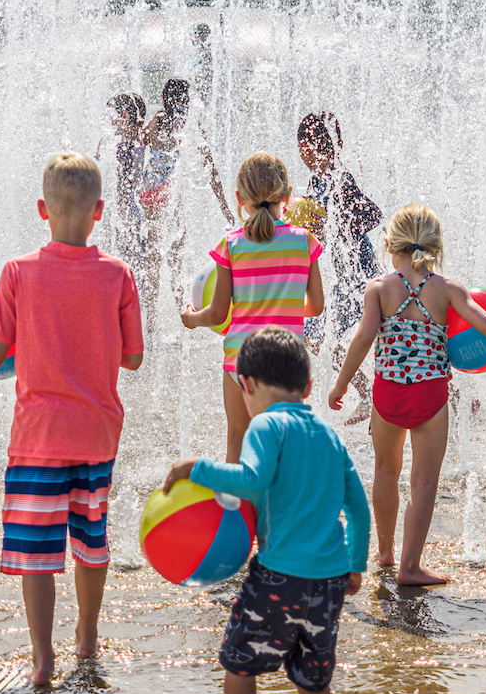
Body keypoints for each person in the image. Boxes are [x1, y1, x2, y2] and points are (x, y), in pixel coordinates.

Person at [0, 152, 144, 685]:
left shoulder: (17, 273)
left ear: (41, 209)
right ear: (100, 210)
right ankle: (89, 637)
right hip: (97, 434)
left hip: (37, 438)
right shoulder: (119, 276)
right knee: (90, 543)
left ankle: (42, 657)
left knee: (37, 552)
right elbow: (133, 357)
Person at [163, 327, 370, 694]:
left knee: (238, 660)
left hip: (279, 575)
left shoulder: (265, 424)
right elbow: (357, 504)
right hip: (331, 580)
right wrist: (356, 563)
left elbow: (253, 481)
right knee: (314, 675)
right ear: (310, 388)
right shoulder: (330, 438)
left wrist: (193, 467)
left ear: (247, 385)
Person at [329, 205, 486, 585]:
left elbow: (363, 339)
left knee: (386, 472)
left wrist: (340, 385)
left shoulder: (379, 289)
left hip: (387, 396)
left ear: (391, 244)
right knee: (423, 482)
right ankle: (410, 567)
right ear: (435, 246)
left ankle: (384, 553)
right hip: (430, 397)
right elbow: (485, 323)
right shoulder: (447, 289)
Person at [180, 152, 324, 464]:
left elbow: (217, 315)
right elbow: (317, 306)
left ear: (239, 198)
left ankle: (236, 512)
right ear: (286, 196)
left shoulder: (231, 245)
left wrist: (191, 318)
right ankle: (284, 509)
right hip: (287, 360)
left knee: (237, 440)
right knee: (284, 447)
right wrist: (281, 308)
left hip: (240, 359)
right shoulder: (304, 242)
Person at [296, 111, 383, 424]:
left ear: (309, 147)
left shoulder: (340, 178)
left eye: (303, 146)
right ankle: (368, 395)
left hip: (360, 275)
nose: (303, 154)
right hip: (341, 279)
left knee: (389, 333)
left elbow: (373, 214)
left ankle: (453, 395)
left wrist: (337, 226)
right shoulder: (317, 179)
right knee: (320, 342)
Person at [139, 78, 233, 325]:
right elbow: (210, 168)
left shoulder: (153, 124)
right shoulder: (191, 129)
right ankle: (183, 315)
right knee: (175, 257)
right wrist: (224, 205)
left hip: (151, 195)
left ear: (162, 100)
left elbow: (136, 158)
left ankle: (149, 321)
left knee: (153, 257)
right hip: (171, 195)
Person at [100, 93, 148, 282]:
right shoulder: (145, 146)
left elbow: (121, 195)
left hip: (125, 223)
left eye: (113, 116)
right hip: (140, 219)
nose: (110, 122)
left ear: (126, 116)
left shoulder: (123, 150)